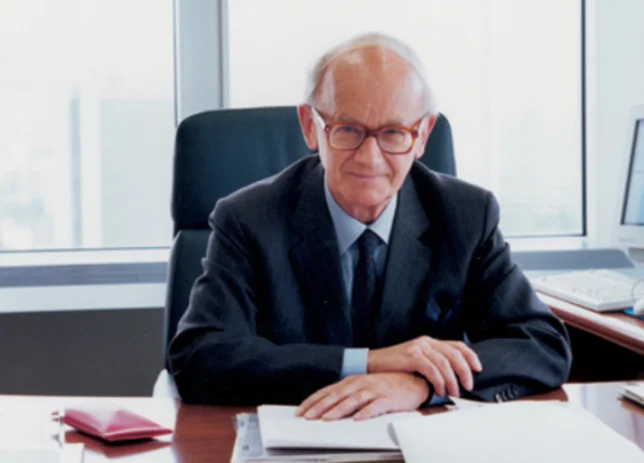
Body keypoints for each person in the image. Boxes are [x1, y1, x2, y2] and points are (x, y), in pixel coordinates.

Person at [168, 33, 572, 420]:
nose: (370, 157)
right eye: (348, 130)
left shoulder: (466, 215)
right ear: (311, 127)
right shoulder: (249, 218)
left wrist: (420, 384)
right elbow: (200, 356)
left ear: (422, 135)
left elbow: (541, 344)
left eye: (394, 133)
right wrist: (371, 363)